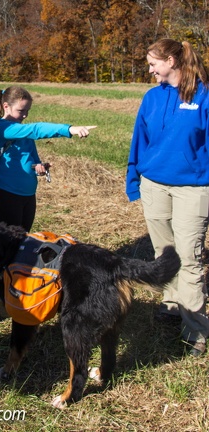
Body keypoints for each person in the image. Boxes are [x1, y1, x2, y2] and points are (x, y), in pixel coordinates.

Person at [126, 38, 209, 357]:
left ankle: (196, 329)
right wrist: (135, 179)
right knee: (165, 252)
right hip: (154, 186)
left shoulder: (203, 95)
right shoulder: (151, 98)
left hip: (194, 188)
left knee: (189, 258)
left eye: (153, 63)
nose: (149, 70)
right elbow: (139, 141)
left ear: (172, 61)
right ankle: (172, 305)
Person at [0, 86, 96, 232]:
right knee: (7, 244)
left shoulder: (21, 131)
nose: (25, 115)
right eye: (21, 110)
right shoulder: (2, 128)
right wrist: (69, 129)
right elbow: (36, 129)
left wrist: (38, 167)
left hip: (28, 194)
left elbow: (32, 157)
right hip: (6, 195)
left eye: (27, 111)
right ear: (6, 106)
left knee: (22, 240)